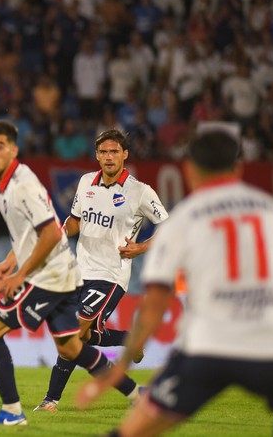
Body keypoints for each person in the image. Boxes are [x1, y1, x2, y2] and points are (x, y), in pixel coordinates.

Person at [76, 130, 273, 436]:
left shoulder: (186, 218)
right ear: (238, 168)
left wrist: (118, 369)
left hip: (207, 349)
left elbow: (154, 306)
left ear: (190, 170)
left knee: (131, 432)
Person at [0, 120, 142, 426]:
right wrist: (11, 260)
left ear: (13, 149)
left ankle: (12, 412)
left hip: (49, 277)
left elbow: (52, 233)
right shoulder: (7, 182)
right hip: (66, 274)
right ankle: (136, 395)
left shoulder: (20, 186)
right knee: (72, 346)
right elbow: (36, 231)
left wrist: (19, 274)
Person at [34, 129, 168, 413]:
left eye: (114, 152)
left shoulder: (140, 191)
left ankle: (51, 400)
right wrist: (59, 233)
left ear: (125, 155)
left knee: (75, 332)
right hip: (79, 269)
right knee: (80, 337)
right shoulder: (85, 183)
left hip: (111, 274)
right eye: (104, 152)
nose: (108, 157)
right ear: (97, 155)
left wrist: (141, 248)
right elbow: (76, 221)